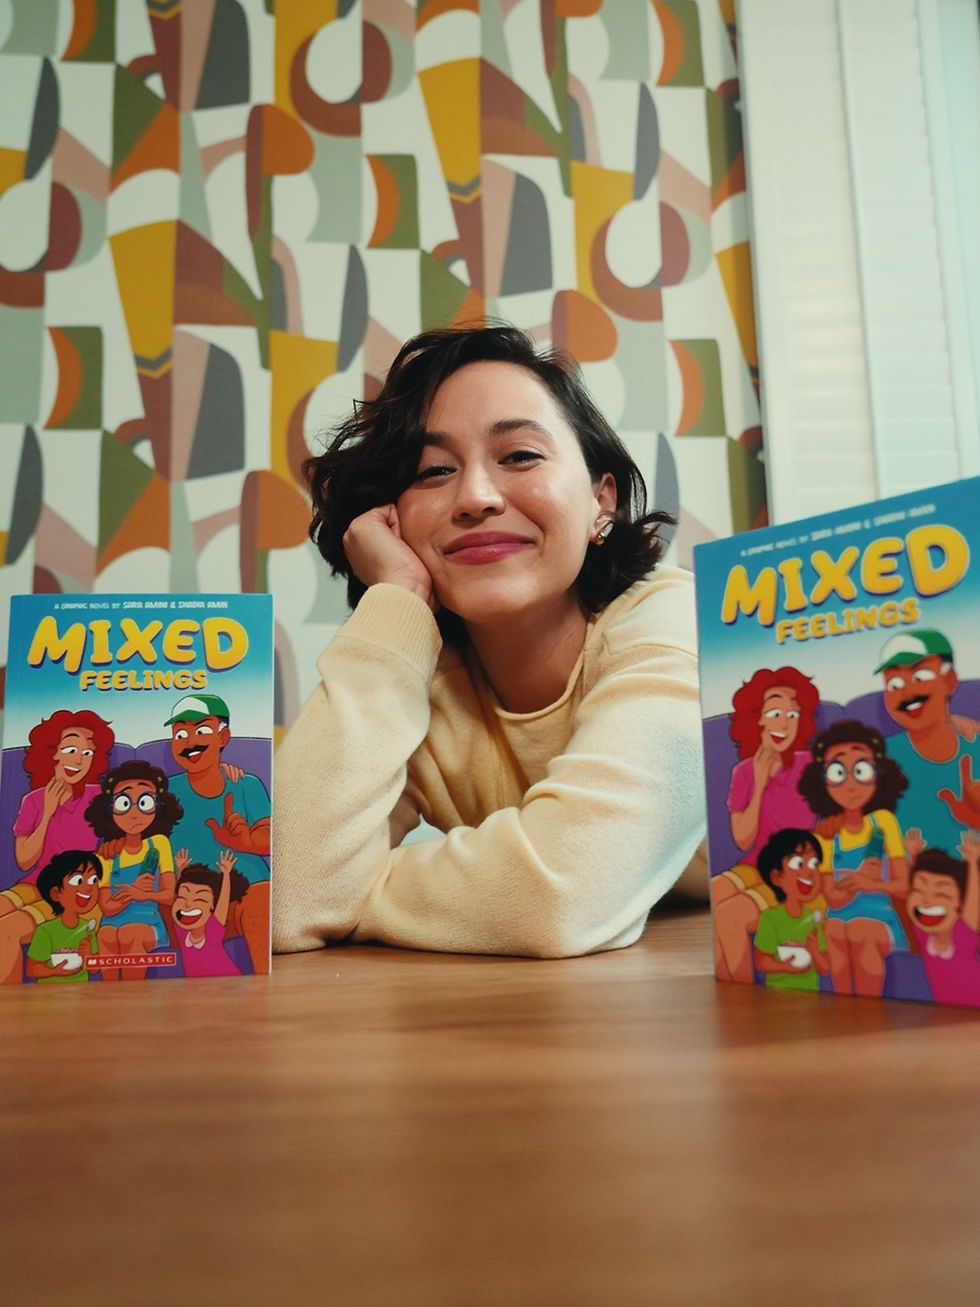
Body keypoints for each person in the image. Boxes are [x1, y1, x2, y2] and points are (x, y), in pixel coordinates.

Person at [273, 323, 706, 958]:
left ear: (600, 501)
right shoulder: (420, 688)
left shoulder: (673, 620)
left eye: (520, 456)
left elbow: (558, 897)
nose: (474, 497)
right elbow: (282, 897)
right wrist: (395, 598)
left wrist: (360, 893)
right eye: (433, 471)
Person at [711, 666, 820, 982]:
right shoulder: (743, 773)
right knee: (715, 892)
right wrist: (758, 785)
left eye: (792, 715)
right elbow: (743, 840)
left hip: (793, 869)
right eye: (774, 712)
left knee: (728, 916)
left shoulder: (808, 766)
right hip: (753, 866)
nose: (783, 723)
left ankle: (743, 1004)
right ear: (756, 717)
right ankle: (731, 997)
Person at [0, 709, 114, 985]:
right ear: (52, 752)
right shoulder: (33, 801)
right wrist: (48, 813)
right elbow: (25, 861)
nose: (79, 759)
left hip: (76, 890)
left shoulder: (98, 797)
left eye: (87, 753)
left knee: (7, 929)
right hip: (35, 883)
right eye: (71, 748)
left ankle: (12, 1015)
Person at [798, 720, 910, 997]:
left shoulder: (883, 822)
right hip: (839, 914)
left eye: (861, 770)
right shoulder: (825, 835)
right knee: (835, 929)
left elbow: (903, 885)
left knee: (860, 930)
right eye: (838, 771)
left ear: (878, 774)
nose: (850, 783)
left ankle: (870, 1013)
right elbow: (832, 897)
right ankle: (844, 1010)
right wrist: (858, 881)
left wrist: (869, 884)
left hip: (880, 917)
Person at [163, 694, 270, 974]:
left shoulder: (246, 784)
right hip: (186, 900)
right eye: (180, 733)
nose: (189, 742)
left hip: (240, 897)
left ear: (223, 737)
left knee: (261, 896)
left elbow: (269, 840)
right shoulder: (165, 792)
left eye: (202, 730)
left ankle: (263, 993)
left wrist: (243, 840)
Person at [876, 629, 980, 846]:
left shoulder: (975, 743)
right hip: (913, 876)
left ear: (949, 680)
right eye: (894, 684)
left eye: (919, 677)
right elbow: (871, 829)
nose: (906, 694)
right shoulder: (880, 759)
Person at [85, 761, 181, 981]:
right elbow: (107, 908)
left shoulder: (159, 844)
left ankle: (134, 999)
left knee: (131, 933)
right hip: (113, 921)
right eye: (124, 802)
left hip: (149, 922)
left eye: (145, 802)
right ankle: (108, 1002)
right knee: (106, 935)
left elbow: (169, 895)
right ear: (110, 808)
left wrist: (143, 894)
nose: (135, 813)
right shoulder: (105, 855)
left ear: (158, 806)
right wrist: (132, 893)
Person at [903, 827, 980, 1007]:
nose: (927, 901)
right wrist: (913, 858)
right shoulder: (924, 935)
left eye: (941, 894)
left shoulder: (962, 937)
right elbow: (911, 893)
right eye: (920, 891)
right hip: (947, 1014)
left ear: (958, 904)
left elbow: (972, 905)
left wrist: (973, 864)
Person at [752, 828, 828, 992]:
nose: (809, 872)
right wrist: (783, 966)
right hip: (777, 995)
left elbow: (824, 968)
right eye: (798, 863)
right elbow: (761, 961)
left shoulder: (813, 920)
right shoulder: (770, 918)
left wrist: (814, 950)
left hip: (811, 998)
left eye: (814, 863)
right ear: (776, 877)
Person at [24, 850, 102, 984]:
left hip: (82, 994)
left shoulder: (87, 929)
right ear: (55, 894)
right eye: (78, 880)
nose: (89, 887)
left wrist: (88, 956)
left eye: (93, 879)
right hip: (48, 995)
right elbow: (32, 969)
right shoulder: (45, 931)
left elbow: (94, 970)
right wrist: (54, 971)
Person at [171, 848, 248, 978]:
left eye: (199, 899)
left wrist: (226, 875)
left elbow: (222, 904)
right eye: (183, 897)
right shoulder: (182, 931)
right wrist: (180, 871)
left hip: (228, 983)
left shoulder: (212, 933)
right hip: (197, 989)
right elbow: (177, 898)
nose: (188, 904)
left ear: (212, 906)